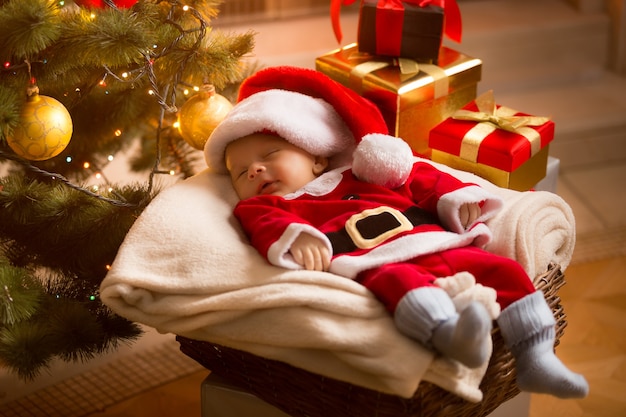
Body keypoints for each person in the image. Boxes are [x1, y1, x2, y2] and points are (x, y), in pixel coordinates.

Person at [204, 66, 589, 399]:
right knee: (403, 285)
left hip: (432, 237)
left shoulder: (361, 170)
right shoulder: (270, 205)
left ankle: (537, 355)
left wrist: (455, 197)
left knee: (504, 272)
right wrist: (297, 236)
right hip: (369, 260)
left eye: (269, 156)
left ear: (317, 156)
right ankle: (451, 338)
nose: (254, 170)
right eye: (241, 172)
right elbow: (263, 224)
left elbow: (419, 177)